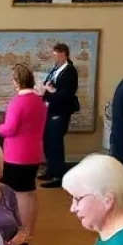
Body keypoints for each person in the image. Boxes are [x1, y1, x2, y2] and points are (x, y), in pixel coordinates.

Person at [0, 62, 46, 236]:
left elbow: (10, 129)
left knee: (17, 193)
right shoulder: (39, 101)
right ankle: (29, 229)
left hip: (16, 155)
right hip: (34, 152)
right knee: (29, 192)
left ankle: (21, 231)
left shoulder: (17, 102)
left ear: (16, 81)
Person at [39, 42, 80, 189]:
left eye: (56, 54)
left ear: (63, 54)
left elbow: (67, 93)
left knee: (55, 143)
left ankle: (58, 175)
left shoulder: (70, 71)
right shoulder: (56, 68)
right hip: (49, 111)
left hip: (60, 112)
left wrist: (52, 90)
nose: (54, 57)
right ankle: (51, 170)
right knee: (48, 141)